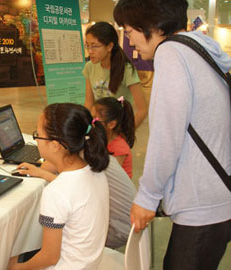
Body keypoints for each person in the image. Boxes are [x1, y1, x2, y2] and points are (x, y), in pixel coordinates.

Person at [114, 0, 231, 269]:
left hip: (201, 207)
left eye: (130, 31)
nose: (129, 42)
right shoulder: (199, 49)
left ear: (152, 26)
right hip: (216, 196)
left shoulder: (171, 53)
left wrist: (147, 197)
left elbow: (167, 136)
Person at [7, 103, 110, 270]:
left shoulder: (55, 193)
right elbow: (73, 197)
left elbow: (50, 257)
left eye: (38, 135)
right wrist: (43, 174)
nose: (36, 140)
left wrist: (17, 268)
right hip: (88, 264)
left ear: (55, 145)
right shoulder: (95, 171)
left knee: (9, 256)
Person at [83, 21, 147, 128]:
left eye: (94, 46)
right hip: (100, 129)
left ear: (109, 47)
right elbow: (89, 103)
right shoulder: (89, 67)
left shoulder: (126, 69)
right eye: (87, 46)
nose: (90, 51)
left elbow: (142, 110)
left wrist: (125, 135)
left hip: (118, 127)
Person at [92, 96, 135, 178]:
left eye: (94, 120)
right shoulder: (103, 139)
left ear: (111, 124)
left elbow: (111, 176)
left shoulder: (119, 149)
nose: (91, 123)